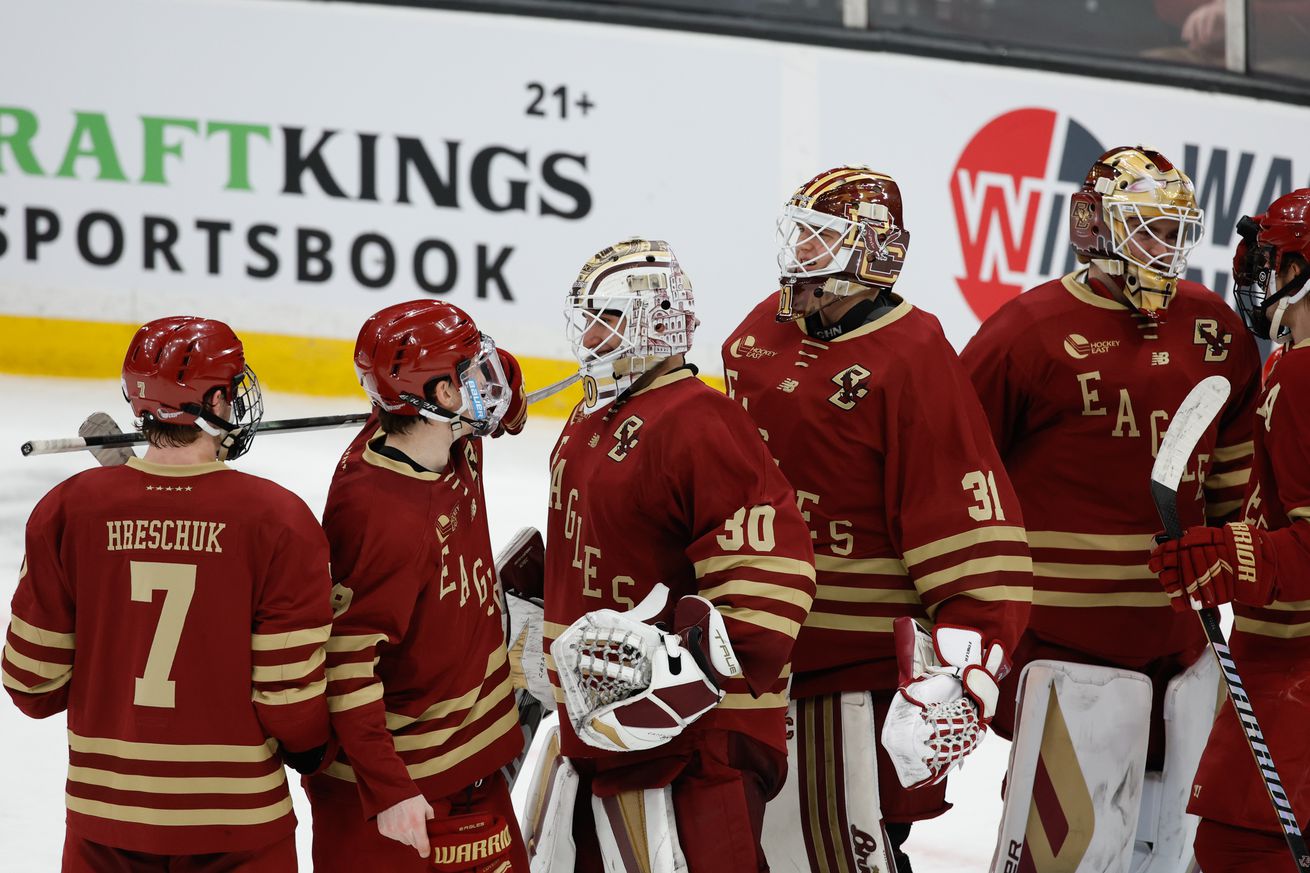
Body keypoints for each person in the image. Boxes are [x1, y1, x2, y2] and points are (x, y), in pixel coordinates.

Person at [723, 165, 1032, 872]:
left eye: (818, 239)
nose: (796, 254)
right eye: (798, 235)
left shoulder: (915, 355)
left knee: (856, 850)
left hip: (855, 674)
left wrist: (969, 662)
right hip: (753, 657)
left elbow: (967, 515)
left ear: (871, 253)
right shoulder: (756, 335)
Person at [961, 146, 1261, 871]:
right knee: (1062, 856)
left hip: (1189, 654)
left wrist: (1233, 562)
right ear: (1094, 225)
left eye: (1174, 230)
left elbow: (1235, 479)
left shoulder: (1214, 327)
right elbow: (964, 481)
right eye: (1147, 229)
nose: (1165, 248)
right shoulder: (1025, 333)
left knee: (1175, 857)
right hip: (1068, 656)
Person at [3, 316, 332, 872]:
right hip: (236, 824)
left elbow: (32, 685)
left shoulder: (68, 510)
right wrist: (313, 750)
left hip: (104, 822)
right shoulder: (280, 519)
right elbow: (290, 703)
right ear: (220, 403)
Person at [531, 238, 816, 872]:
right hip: (604, 730)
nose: (590, 332)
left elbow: (771, 579)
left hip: (695, 746)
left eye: (605, 316)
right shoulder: (589, 417)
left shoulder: (700, 423)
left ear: (650, 323)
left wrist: (677, 680)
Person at [305, 300, 530, 872]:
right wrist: (389, 791)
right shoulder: (381, 516)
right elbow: (347, 663)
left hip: (469, 763)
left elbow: (504, 389)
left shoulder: (454, 439)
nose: (491, 376)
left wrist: (506, 397)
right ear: (444, 396)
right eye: (473, 369)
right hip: (407, 798)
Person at [1150, 188, 1310, 872]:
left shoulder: (1300, 372)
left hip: (1291, 708)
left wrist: (1227, 555)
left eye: (1273, 263)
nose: (1261, 279)